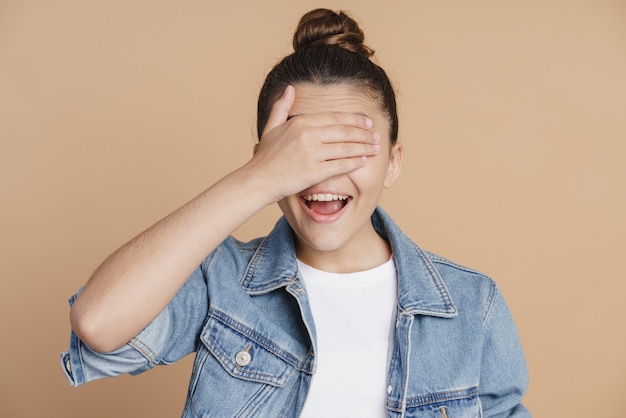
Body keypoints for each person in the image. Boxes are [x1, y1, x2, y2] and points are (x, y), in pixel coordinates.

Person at [61, 8, 530, 417]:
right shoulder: (220, 282)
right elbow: (99, 324)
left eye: (349, 147)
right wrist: (257, 179)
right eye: (300, 149)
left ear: (394, 162)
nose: (322, 175)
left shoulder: (472, 306)